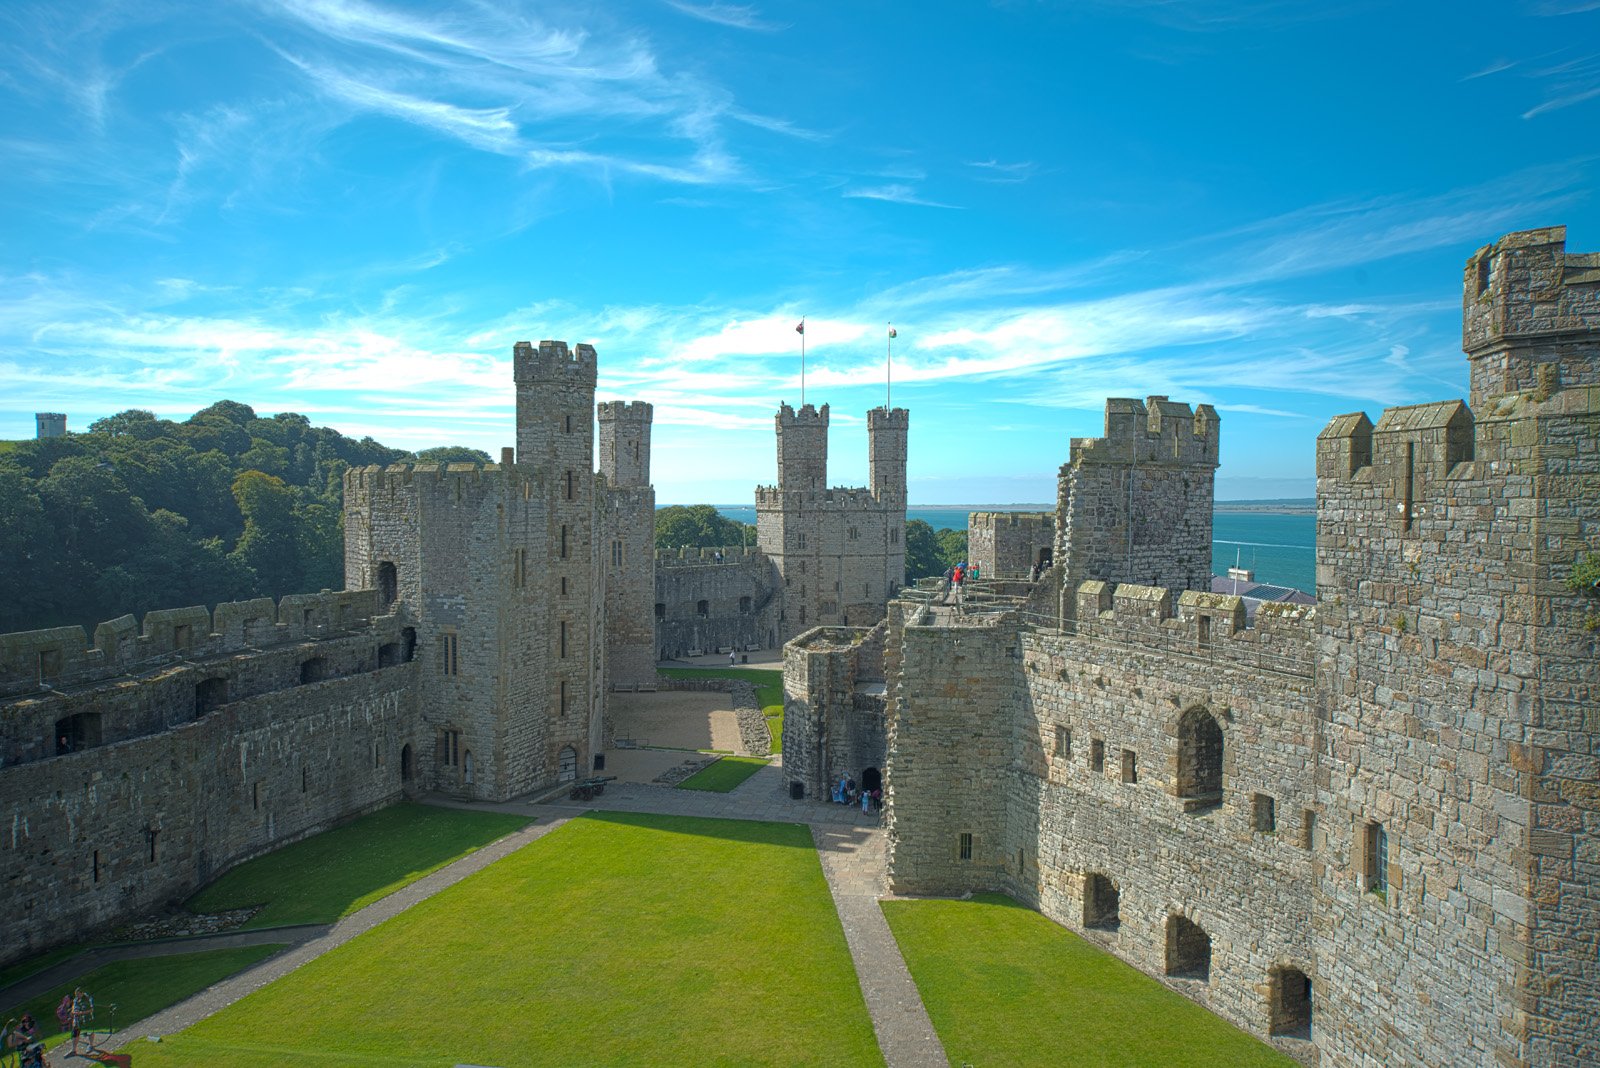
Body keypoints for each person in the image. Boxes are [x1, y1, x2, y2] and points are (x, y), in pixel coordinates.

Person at [70, 988, 91, 1055]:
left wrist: (81, 1013)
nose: (77, 996)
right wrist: (73, 1012)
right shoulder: (75, 1000)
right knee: (75, 1033)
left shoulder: (87, 999)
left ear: (82, 993)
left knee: (89, 1032)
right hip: (77, 1020)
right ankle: (73, 1050)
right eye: (76, 994)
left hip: (86, 1018)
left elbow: (91, 1010)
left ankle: (91, 1045)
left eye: (78, 994)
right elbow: (73, 1008)